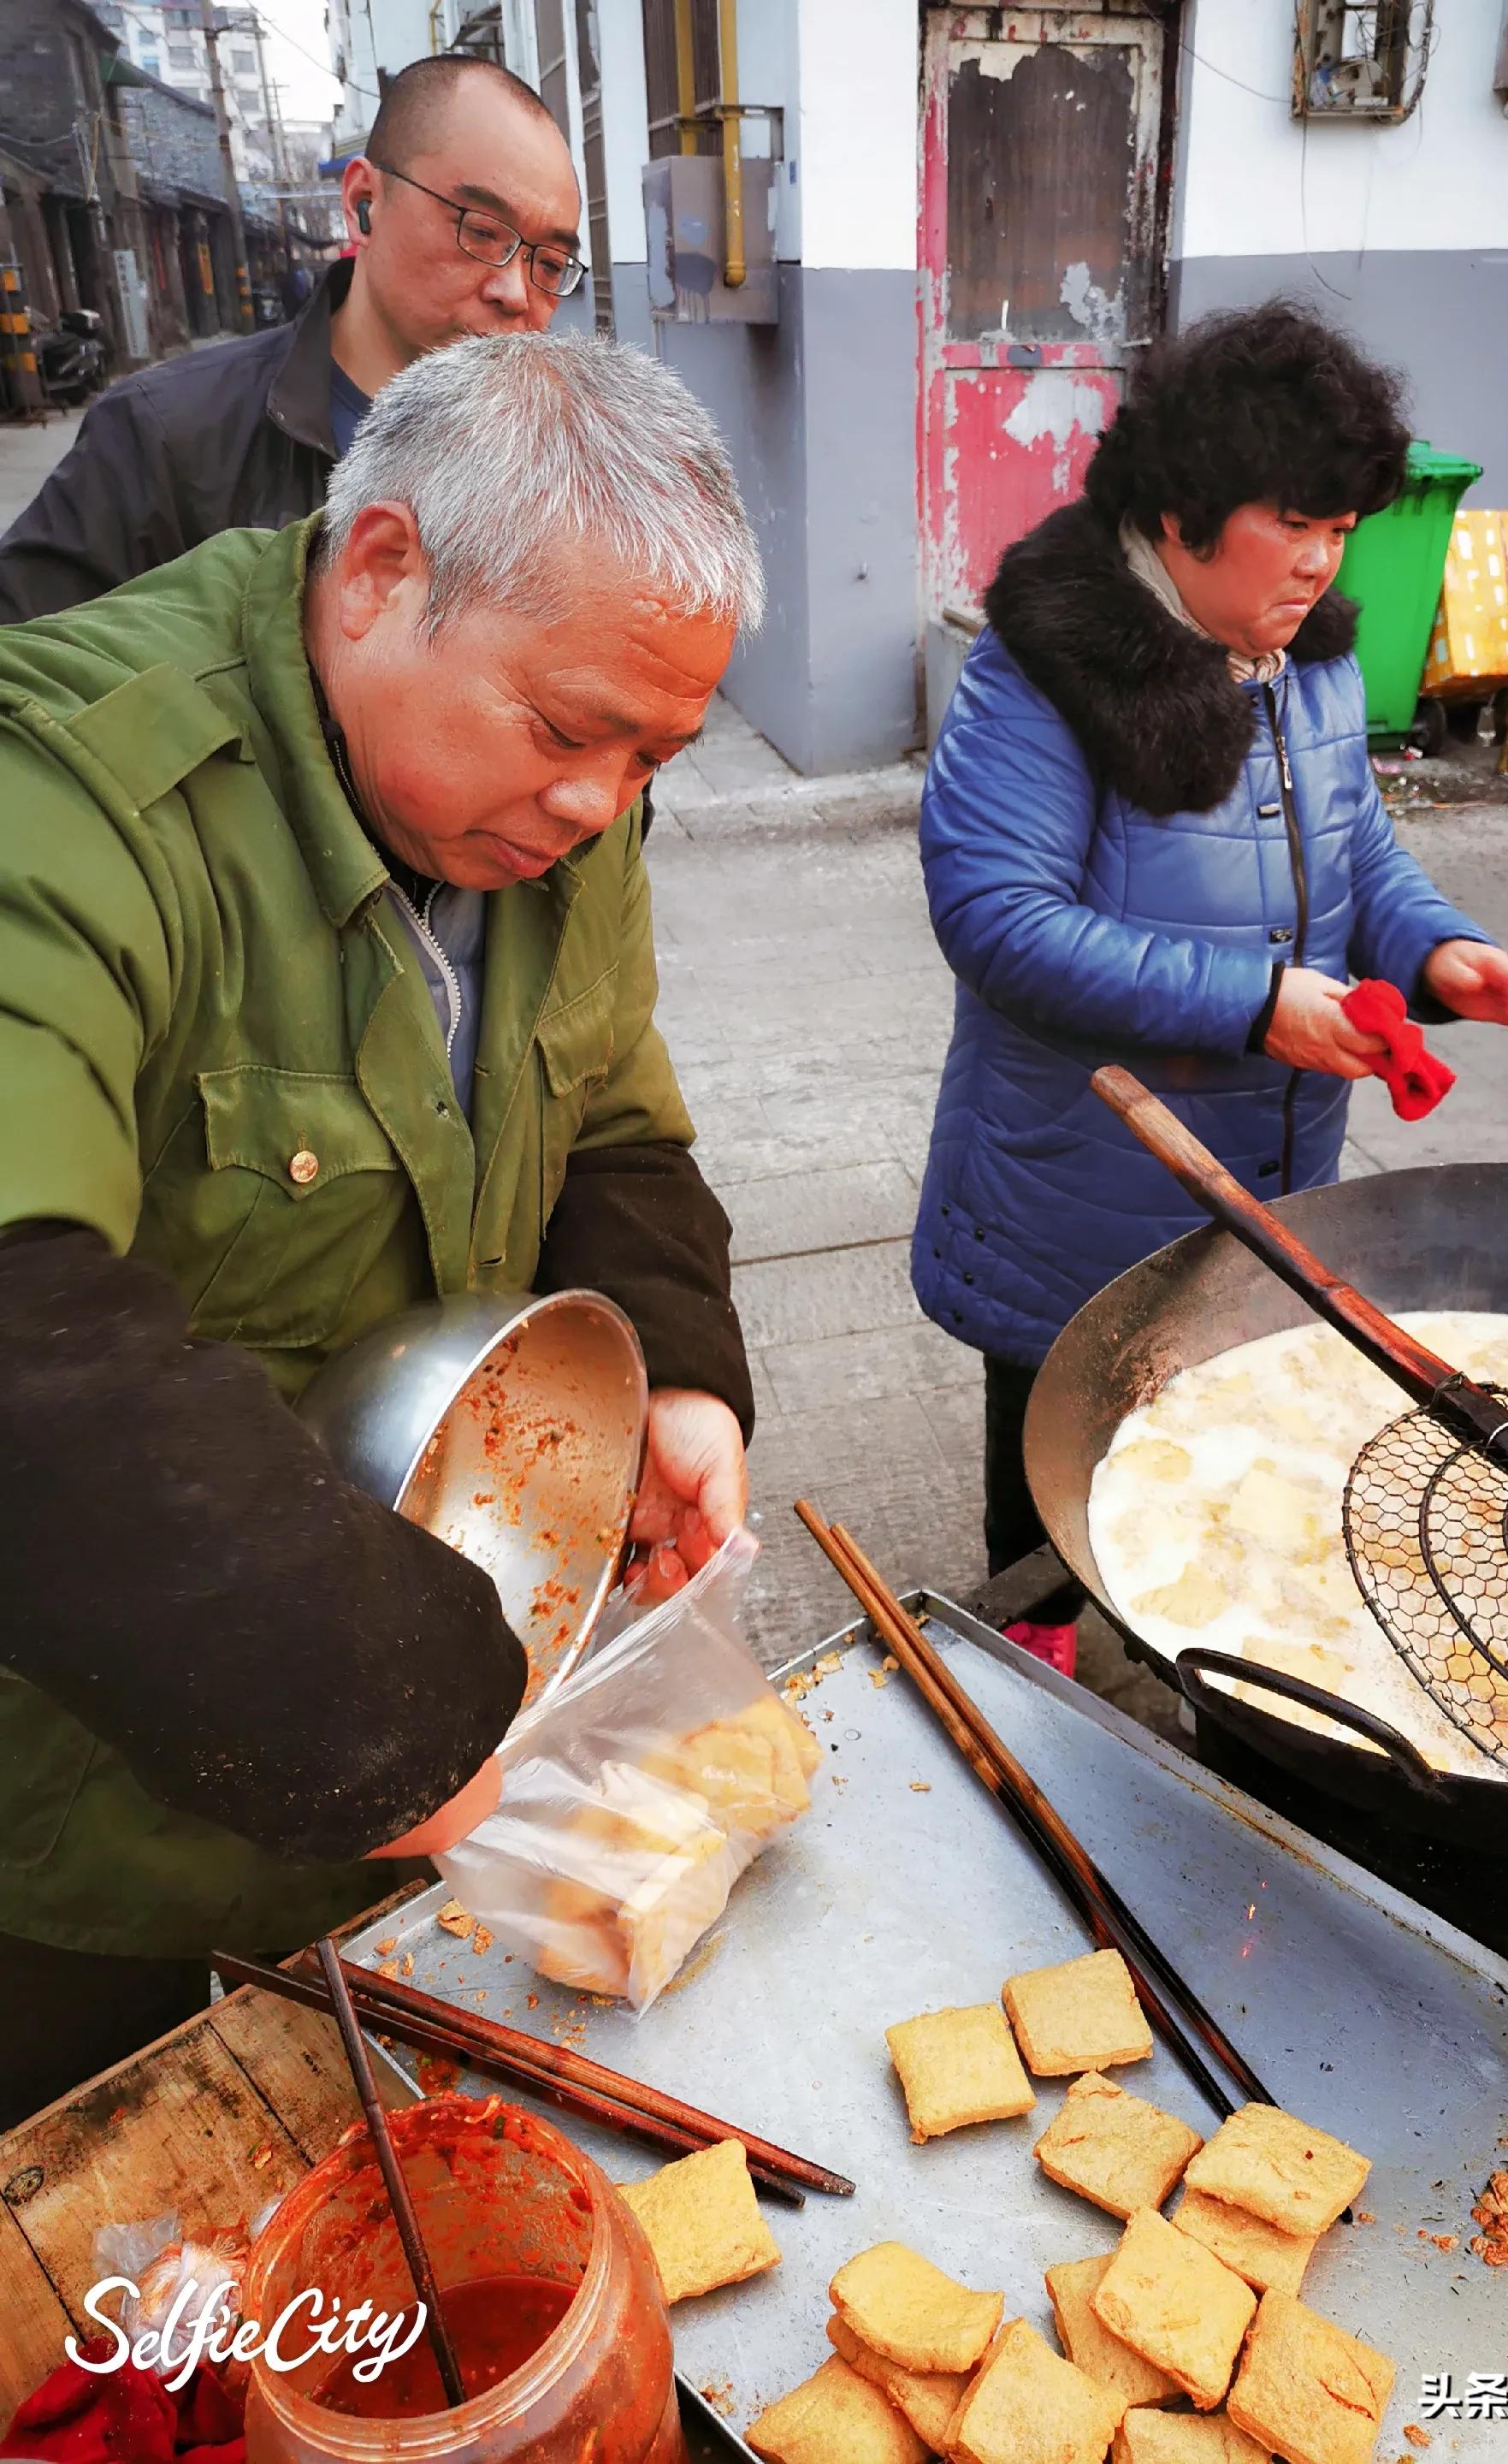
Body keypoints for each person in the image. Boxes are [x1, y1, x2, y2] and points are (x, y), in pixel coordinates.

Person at [0, 331, 763, 2124]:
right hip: (76, 1811)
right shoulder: (67, 800)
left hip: (411, 1725)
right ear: (382, 570)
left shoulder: (568, 813)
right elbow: (24, 1335)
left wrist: (677, 1372)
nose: (599, 803)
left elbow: (613, 1111)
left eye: (656, 755)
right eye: (565, 731)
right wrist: (368, 1707)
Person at [911, 302, 1508, 1676]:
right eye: (1294, 523)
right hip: (1075, 1177)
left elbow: (1358, 853)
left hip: (1266, 1163)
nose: (1323, 560)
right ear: (1184, 512)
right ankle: (1030, 1659)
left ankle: (1199, 1641)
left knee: (1213, 1425)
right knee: (1055, 1446)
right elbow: (998, 918)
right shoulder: (1045, 669)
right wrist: (1259, 1004)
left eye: (1343, 527)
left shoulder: (1310, 660)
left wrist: (1437, 951)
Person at [0, 54, 583, 621]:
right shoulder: (163, 441)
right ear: (364, 205)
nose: (516, 292)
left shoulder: (567, 459)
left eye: (551, 264)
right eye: (481, 232)